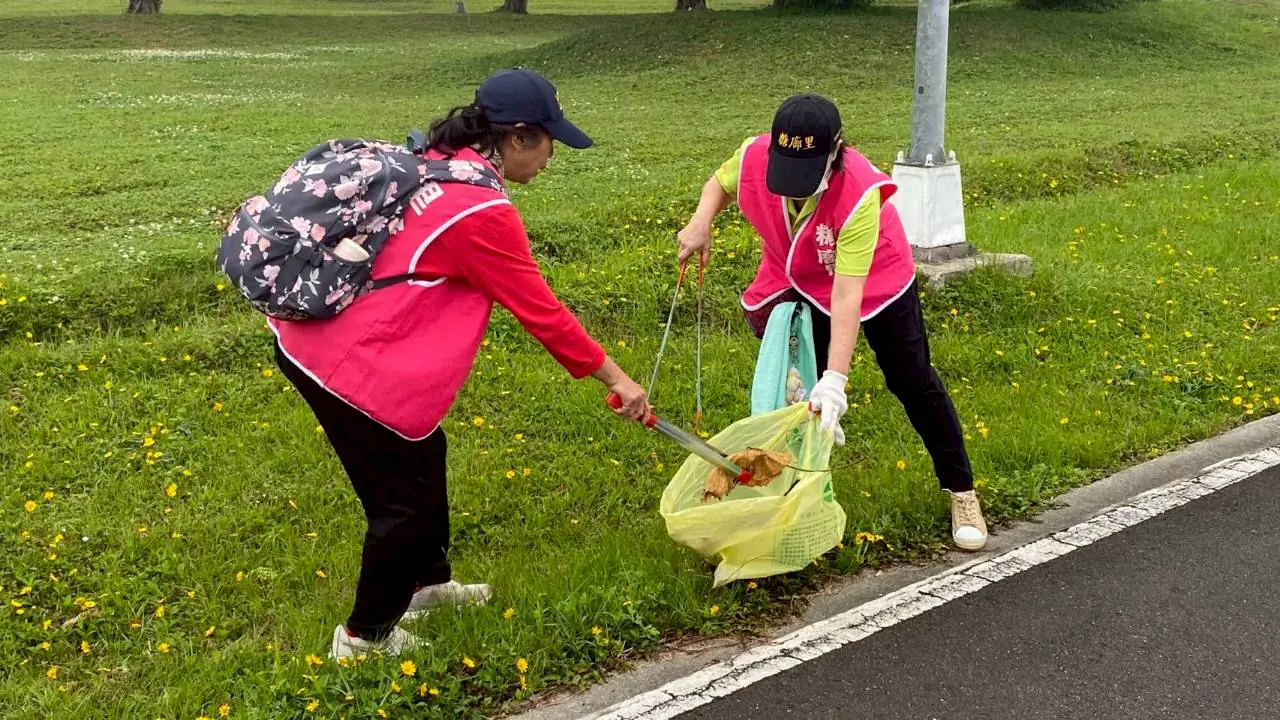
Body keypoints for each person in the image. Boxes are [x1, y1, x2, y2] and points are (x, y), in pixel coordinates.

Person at [270, 68, 650, 659]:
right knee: (402, 505)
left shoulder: (441, 159)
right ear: (519, 136)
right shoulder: (480, 212)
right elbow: (542, 312)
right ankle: (364, 638)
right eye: (551, 142)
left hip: (328, 338)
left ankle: (426, 584)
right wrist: (619, 380)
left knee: (425, 453)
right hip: (344, 361)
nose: (552, 157)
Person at [676, 94, 988, 552]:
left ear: (836, 150)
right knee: (799, 392)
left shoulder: (859, 193)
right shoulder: (755, 154)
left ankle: (962, 492)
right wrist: (701, 221)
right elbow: (719, 183)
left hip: (879, 283)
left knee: (912, 380)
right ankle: (807, 499)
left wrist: (836, 380)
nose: (795, 189)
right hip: (804, 279)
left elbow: (847, 296)